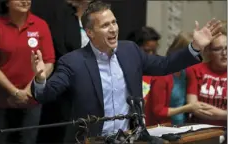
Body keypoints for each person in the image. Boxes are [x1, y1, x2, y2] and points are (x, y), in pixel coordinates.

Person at [31, 0, 222, 140]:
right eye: (105, 25)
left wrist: (195, 47)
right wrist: (40, 79)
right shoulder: (73, 62)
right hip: (95, 139)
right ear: (90, 33)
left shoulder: (130, 50)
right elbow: (47, 94)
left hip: (133, 136)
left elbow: (164, 66)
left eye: (114, 22)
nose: (113, 29)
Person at [31, 0, 91, 143]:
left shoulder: (97, 12)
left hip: (91, 82)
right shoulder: (61, 13)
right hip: (66, 81)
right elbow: (60, 47)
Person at [0, 0, 55, 144]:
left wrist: (28, 91)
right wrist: (15, 92)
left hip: (32, 99)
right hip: (0, 100)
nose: (25, 1)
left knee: (29, 140)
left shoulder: (40, 25)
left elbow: (49, 62)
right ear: (7, 3)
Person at [145, 32, 210, 126]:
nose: (198, 58)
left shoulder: (187, 72)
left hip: (180, 126)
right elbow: (159, 111)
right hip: (160, 127)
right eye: (195, 54)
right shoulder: (162, 76)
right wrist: (188, 108)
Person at [187, 32, 227, 127]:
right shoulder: (195, 70)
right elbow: (193, 106)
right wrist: (225, 114)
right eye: (217, 49)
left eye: (227, 48)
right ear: (208, 52)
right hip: (199, 131)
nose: (224, 53)